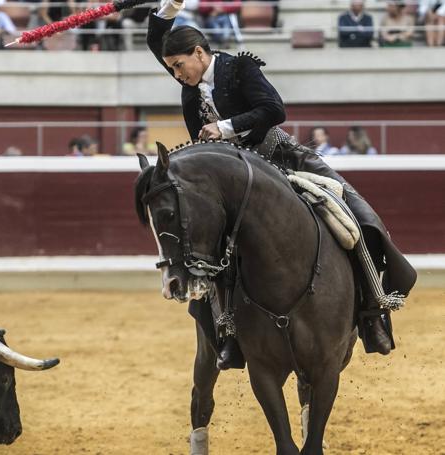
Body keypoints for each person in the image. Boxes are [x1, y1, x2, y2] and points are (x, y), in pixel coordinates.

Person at [146, 0, 415, 374]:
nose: (175, 74)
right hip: (235, 185)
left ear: (198, 52)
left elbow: (274, 109)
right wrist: (168, 8)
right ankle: (229, 336)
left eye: (178, 66)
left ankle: (373, 313)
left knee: (355, 217)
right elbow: (157, 42)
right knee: (209, 252)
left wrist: (224, 128)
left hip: (281, 159)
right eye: (171, 69)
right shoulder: (190, 83)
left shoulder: (238, 67)